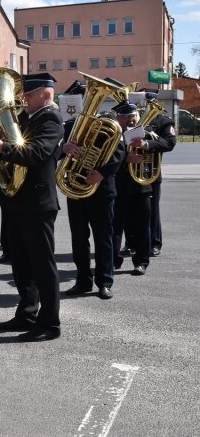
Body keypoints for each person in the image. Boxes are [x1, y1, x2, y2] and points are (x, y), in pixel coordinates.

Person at [0, 72, 63, 342]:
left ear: (46, 94)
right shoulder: (29, 117)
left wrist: (1, 146)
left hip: (38, 202)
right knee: (22, 264)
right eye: (24, 94)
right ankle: (27, 313)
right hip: (18, 199)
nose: (23, 98)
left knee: (42, 265)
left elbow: (37, 154)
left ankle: (50, 323)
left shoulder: (51, 119)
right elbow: (13, 140)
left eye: (28, 94)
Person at [59, 81, 125, 300]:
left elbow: (119, 152)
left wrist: (102, 172)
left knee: (103, 237)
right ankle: (83, 281)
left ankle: (105, 281)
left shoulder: (109, 121)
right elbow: (57, 151)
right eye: (86, 98)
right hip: (75, 187)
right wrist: (64, 148)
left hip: (101, 188)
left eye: (91, 97)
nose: (87, 102)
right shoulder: (69, 125)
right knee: (79, 238)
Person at [112, 101, 152, 276]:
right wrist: (125, 157)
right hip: (118, 187)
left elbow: (167, 144)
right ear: (118, 118)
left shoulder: (146, 133)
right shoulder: (112, 135)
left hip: (141, 187)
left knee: (142, 227)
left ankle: (141, 261)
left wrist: (146, 145)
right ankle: (114, 260)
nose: (130, 120)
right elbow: (105, 156)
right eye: (126, 116)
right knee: (115, 228)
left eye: (133, 116)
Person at [141, 92, 176, 256]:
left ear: (156, 102)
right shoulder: (134, 118)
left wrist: (148, 144)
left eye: (151, 101)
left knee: (152, 210)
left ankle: (155, 242)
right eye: (145, 101)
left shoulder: (164, 120)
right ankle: (132, 242)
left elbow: (170, 142)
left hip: (151, 171)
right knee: (128, 209)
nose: (148, 104)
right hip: (130, 170)